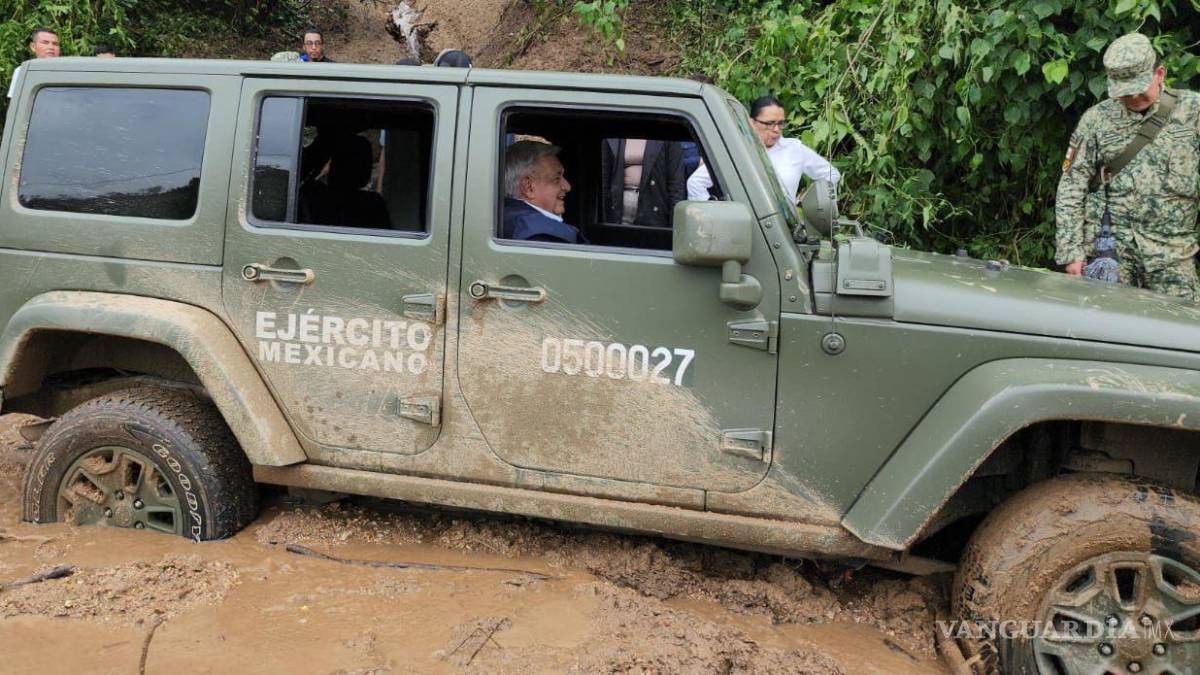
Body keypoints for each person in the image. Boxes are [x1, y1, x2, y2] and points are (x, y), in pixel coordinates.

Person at [1055, 32, 1200, 301]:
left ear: (1159, 74)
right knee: (1107, 324)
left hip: (1173, 255)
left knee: (1181, 325)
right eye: (1124, 91)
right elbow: (1072, 185)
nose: (1133, 96)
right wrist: (1072, 252)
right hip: (1110, 255)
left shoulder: (1193, 111)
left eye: (1139, 87)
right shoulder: (1096, 120)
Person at [687, 95, 840, 203]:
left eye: (780, 123)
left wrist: (807, 199)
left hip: (784, 229)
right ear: (752, 123)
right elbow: (695, 183)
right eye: (769, 123)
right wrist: (711, 216)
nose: (776, 129)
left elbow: (831, 175)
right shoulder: (736, 149)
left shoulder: (794, 149)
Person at [502, 140, 583, 243]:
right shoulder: (542, 235)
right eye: (556, 179)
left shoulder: (505, 217)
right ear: (528, 187)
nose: (567, 187)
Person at [601, 139, 685, 228]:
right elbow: (603, 180)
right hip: (617, 212)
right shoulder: (612, 137)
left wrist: (675, 227)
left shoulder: (670, 140)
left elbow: (676, 184)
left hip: (654, 211)